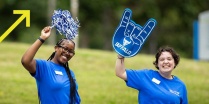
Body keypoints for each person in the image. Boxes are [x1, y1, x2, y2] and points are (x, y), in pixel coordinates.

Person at [21, 26, 81, 104]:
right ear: (56, 48)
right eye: (65, 48)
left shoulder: (70, 73)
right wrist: (42, 38)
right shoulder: (44, 67)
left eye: (71, 51)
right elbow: (25, 61)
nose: (67, 53)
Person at [115, 46, 188, 104]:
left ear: (175, 62)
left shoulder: (180, 85)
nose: (166, 62)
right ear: (157, 64)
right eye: (162, 59)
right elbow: (120, 73)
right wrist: (121, 56)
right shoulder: (146, 76)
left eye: (169, 59)